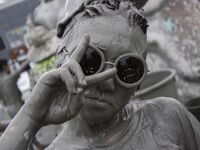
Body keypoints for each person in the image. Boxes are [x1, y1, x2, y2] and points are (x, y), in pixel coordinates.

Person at [0, 0, 200, 150]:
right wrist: (31, 116)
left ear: (139, 82)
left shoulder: (168, 119)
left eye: (128, 68)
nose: (106, 82)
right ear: (61, 60)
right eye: (89, 60)